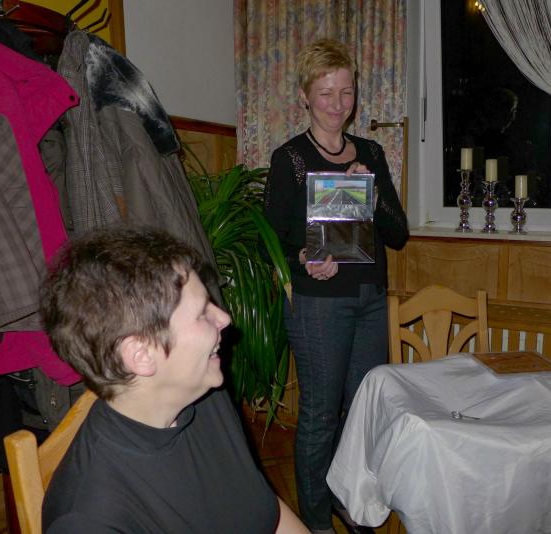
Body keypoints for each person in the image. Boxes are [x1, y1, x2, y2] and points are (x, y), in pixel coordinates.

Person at [39, 227, 308, 533]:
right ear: (141, 355)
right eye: (202, 313)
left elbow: (260, 506)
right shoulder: (90, 518)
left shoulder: (203, 391)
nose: (224, 318)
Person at [264, 39, 409, 534]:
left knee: (362, 415)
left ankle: (349, 503)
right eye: (326, 92)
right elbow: (271, 242)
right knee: (321, 416)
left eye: (346, 92)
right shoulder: (290, 158)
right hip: (317, 304)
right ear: (305, 95)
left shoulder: (371, 152)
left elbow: (398, 233)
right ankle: (314, 522)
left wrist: (373, 192)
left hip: (369, 299)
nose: (337, 103)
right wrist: (303, 261)